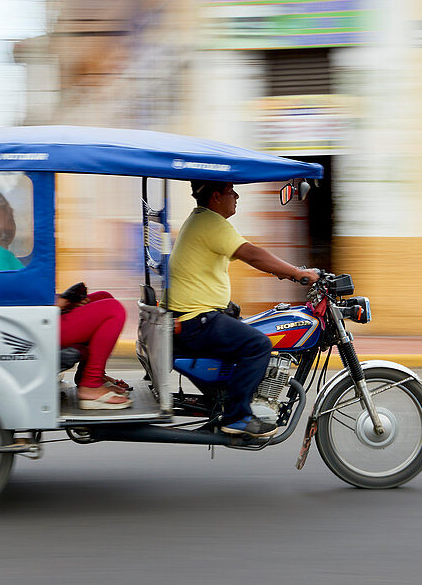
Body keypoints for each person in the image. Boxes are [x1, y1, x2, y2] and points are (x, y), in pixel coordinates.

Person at [168, 180, 319, 439]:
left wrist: (285, 272)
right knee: (258, 345)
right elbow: (252, 254)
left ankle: (231, 399)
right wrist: (297, 274)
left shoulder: (201, 221)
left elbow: (252, 256)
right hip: (195, 320)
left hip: (193, 316)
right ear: (216, 196)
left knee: (245, 325)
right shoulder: (210, 223)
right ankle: (237, 417)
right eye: (230, 191)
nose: (236, 195)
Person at [56, 284, 133, 409]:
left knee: (103, 297)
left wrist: (64, 302)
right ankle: (91, 385)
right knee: (113, 310)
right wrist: (61, 302)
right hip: (38, 325)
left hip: (44, 315)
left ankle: (88, 375)